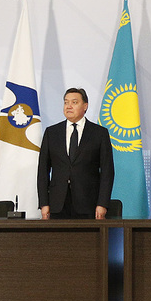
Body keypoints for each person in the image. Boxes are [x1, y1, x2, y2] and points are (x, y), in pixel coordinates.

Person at [38, 88, 114, 219]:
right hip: (57, 204)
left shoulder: (99, 133)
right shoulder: (52, 133)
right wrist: (44, 203)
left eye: (74, 102)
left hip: (88, 203)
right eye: (66, 102)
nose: (69, 106)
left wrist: (102, 203)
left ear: (85, 106)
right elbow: (43, 171)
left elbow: (107, 171)